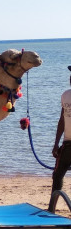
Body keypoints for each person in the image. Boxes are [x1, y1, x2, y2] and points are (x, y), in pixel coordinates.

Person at [51, 66, 71, 197]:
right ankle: (52, 206)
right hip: (67, 144)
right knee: (57, 175)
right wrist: (56, 143)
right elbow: (62, 120)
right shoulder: (65, 95)